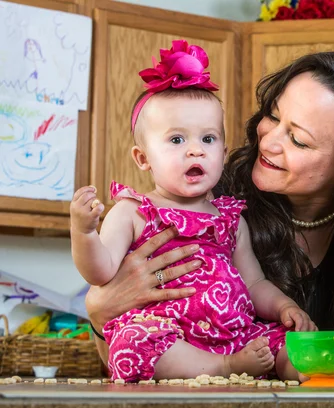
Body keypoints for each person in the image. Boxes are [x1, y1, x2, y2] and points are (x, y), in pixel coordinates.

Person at [85, 50, 334, 382]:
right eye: (273, 115)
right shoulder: (207, 200)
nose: (267, 141)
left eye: (298, 140)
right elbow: (121, 364)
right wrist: (100, 312)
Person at [71, 40, 314, 382]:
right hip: (171, 340)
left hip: (235, 337)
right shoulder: (132, 212)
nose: (196, 151)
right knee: (131, 343)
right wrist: (84, 232)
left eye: (208, 139)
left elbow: (255, 282)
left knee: (292, 345)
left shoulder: (230, 218)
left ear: (224, 150)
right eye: (176, 140)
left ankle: (296, 373)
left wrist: (284, 307)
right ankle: (222, 369)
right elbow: (99, 272)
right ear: (143, 159)